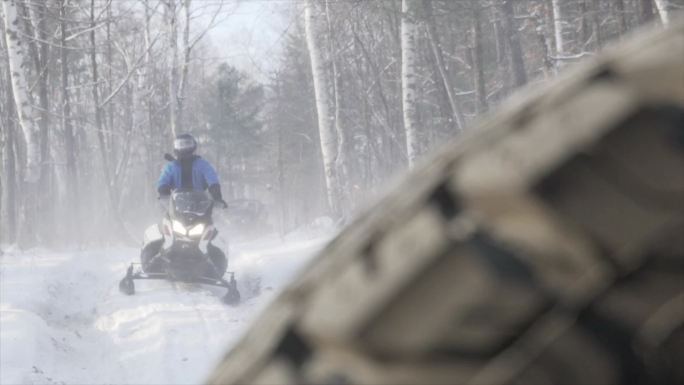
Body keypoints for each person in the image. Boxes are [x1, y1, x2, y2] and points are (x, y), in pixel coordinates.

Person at [157, 133, 228, 208]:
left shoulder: (202, 164)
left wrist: (217, 197)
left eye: (187, 144)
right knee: (164, 216)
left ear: (193, 146)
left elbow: (212, 180)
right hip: (176, 206)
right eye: (180, 145)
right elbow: (163, 181)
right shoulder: (171, 166)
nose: (184, 147)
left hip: (200, 205)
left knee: (215, 216)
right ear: (176, 147)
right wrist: (164, 193)